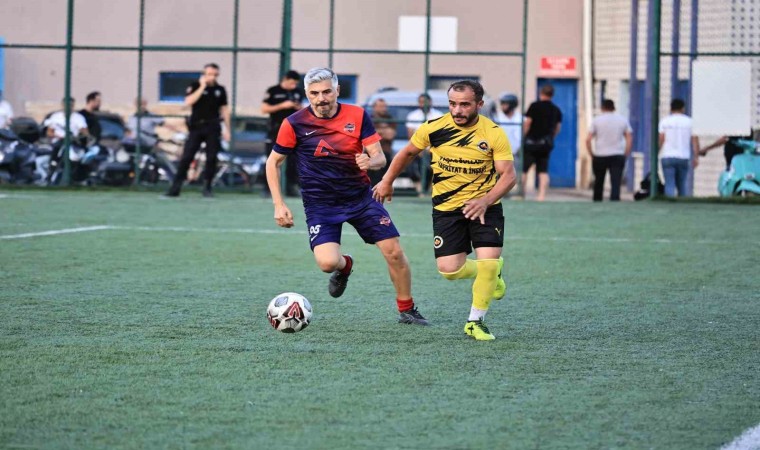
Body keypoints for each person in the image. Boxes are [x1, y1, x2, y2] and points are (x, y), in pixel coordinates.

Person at [265, 67, 428, 326]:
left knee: (394, 251)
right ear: (307, 94)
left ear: (337, 90)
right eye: (314, 93)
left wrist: (370, 161)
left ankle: (407, 310)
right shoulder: (294, 123)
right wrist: (278, 204)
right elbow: (273, 162)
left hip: (360, 198)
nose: (321, 98)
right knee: (327, 263)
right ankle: (345, 266)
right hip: (320, 204)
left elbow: (379, 157)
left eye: (327, 92)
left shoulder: (357, 115)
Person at [373, 80, 516, 341]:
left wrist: (485, 200)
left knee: (488, 261)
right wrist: (387, 180)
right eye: (453, 104)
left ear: (479, 104)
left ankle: (475, 321)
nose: (458, 110)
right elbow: (407, 153)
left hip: (485, 207)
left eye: (465, 104)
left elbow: (508, 176)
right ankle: (492, 273)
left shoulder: (493, 133)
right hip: (446, 209)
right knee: (450, 270)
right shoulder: (433, 128)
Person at [165, 63, 231, 198]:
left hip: (213, 127)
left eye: (215, 75)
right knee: (187, 157)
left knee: (211, 158)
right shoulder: (195, 86)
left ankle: (207, 188)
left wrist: (227, 129)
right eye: (209, 74)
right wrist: (202, 87)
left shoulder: (220, 90)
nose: (212, 77)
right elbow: (188, 102)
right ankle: (175, 188)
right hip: (197, 127)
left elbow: (224, 110)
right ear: (204, 74)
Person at [261, 70, 304, 197]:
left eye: (295, 83)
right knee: (272, 159)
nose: (294, 86)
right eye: (292, 83)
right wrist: (282, 105)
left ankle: (291, 187)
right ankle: (268, 188)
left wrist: (299, 108)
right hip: (275, 129)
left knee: (293, 160)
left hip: (293, 130)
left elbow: (302, 110)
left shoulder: (297, 92)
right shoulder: (273, 91)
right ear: (285, 79)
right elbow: (264, 109)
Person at [585, 99, 633, 201]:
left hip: (600, 155)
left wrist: (591, 154)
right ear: (614, 108)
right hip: (617, 154)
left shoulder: (597, 120)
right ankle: (614, 201)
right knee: (616, 182)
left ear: (602, 108)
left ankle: (597, 201)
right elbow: (629, 138)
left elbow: (588, 139)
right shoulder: (622, 120)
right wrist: (625, 153)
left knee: (599, 181)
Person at [523, 84, 562, 201]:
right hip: (545, 144)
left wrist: (523, 136)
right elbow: (558, 128)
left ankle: (522, 193)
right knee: (543, 170)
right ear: (552, 95)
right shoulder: (556, 109)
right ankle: (541, 195)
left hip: (531, 142)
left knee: (524, 169)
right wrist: (551, 137)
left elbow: (528, 123)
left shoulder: (534, 106)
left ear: (541, 93)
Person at [658, 98, 699, 197]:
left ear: (671, 108)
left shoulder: (665, 122)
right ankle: (682, 202)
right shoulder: (690, 122)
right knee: (682, 185)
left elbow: (661, 139)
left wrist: (657, 152)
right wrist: (696, 157)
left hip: (667, 155)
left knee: (669, 183)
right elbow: (694, 141)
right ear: (683, 108)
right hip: (683, 156)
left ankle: (669, 201)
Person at [405, 93, 444, 195]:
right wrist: (419, 150)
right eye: (421, 102)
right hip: (417, 149)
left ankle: (431, 191)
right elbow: (410, 135)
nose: (423, 104)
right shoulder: (413, 116)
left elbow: (441, 135)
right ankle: (420, 191)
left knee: (436, 167)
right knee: (411, 166)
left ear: (430, 102)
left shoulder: (438, 115)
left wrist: (431, 149)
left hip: (434, 149)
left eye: (425, 102)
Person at [369, 98, 396, 185]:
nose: (384, 108)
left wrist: (376, 132)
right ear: (374, 107)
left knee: (383, 179)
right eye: (381, 106)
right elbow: (368, 135)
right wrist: (384, 131)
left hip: (385, 152)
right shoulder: (368, 119)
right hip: (371, 153)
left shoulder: (390, 119)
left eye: (385, 106)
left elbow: (390, 135)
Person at [493, 92, 523, 157]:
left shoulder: (520, 118)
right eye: (502, 104)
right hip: (500, 153)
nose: (502, 106)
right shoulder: (497, 118)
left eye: (505, 104)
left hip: (516, 153)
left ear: (512, 105)